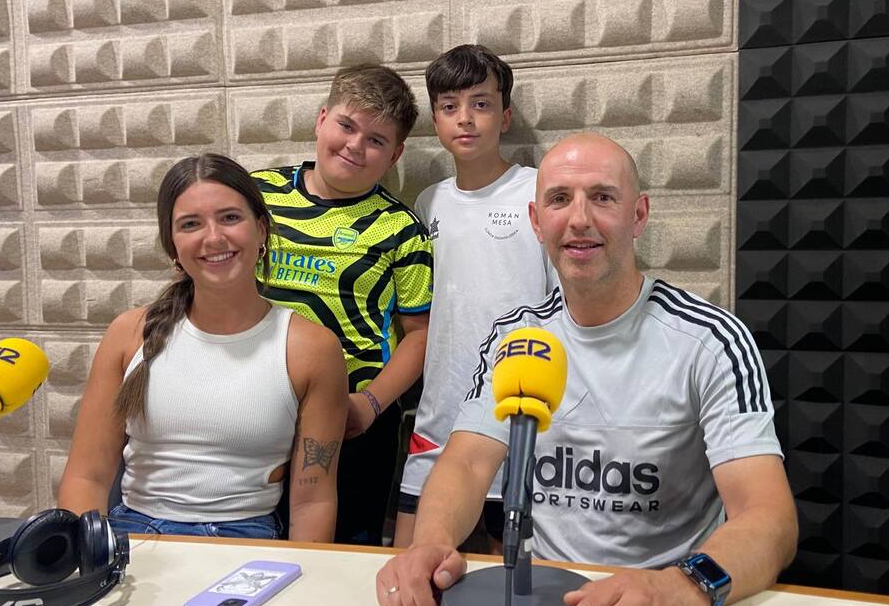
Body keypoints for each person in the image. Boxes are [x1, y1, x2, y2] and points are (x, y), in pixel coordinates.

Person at [376, 133, 797, 606]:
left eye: (602, 197)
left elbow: (769, 518)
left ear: (638, 215)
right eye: (559, 199)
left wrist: (686, 586)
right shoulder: (516, 338)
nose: (578, 219)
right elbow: (466, 463)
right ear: (536, 221)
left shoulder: (710, 341)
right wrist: (431, 542)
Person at [58, 154, 347, 540]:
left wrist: (302, 573)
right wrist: (91, 559)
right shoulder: (128, 334)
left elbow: (313, 501)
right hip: (134, 534)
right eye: (191, 224)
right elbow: (86, 477)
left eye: (230, 217)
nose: (213, 238)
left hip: (246, 537)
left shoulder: (311, 348)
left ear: (261, 230)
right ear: (173, 245)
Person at [251, 65, 432, 545]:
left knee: (342, 559)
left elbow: (420, 335)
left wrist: (370, 405)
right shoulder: (255, 196)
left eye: (376, 140)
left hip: (355, 422)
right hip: (253, 409)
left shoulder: (402, 229)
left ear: (395, 154)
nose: (355, 145)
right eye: (346, 126)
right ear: (321, 119)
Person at [395, 44, 554, 549]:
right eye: (450, 106)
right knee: (415, 561)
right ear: (436, 120)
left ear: (505, 116)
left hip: (522, 417)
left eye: (481, 104)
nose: (465, 118)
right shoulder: (428, 202)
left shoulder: (540, 191)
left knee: (513, 571)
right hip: (439, 416)